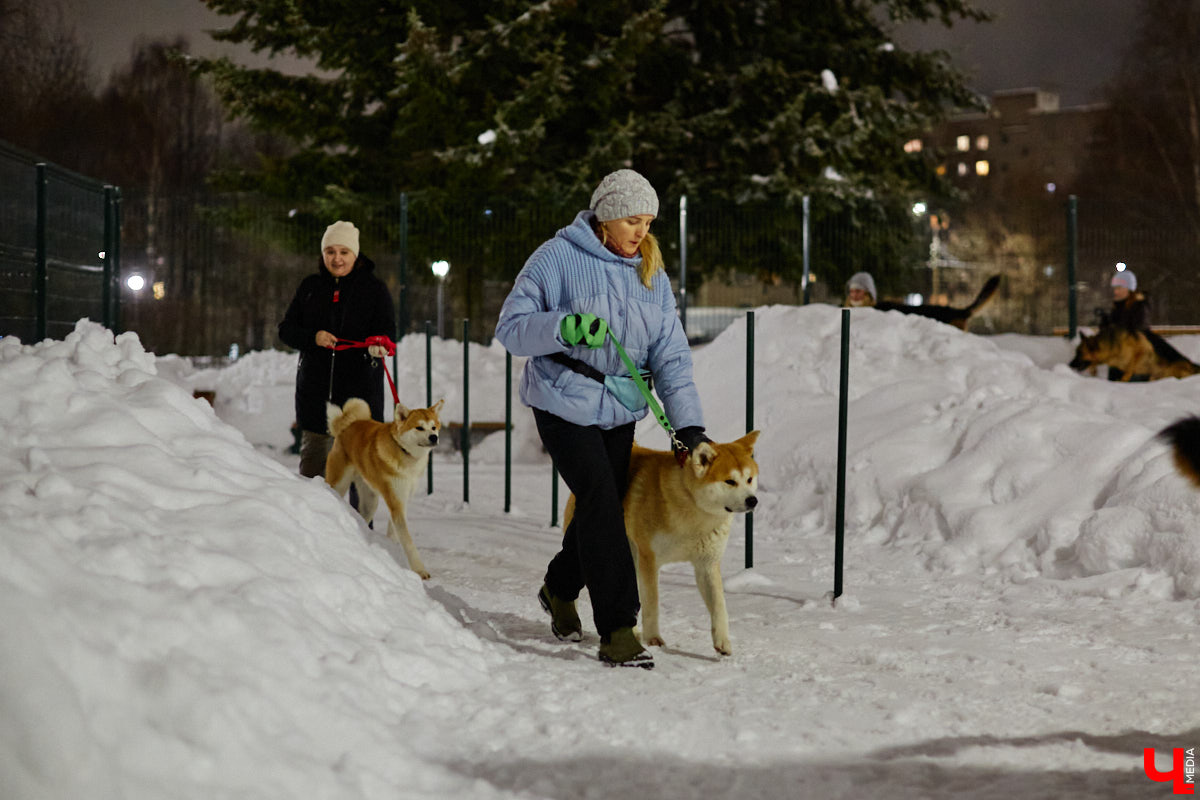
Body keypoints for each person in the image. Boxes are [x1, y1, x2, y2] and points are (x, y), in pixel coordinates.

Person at [494, 169, 709, 668]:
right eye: (632, 220)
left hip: (619, 408)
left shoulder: (651, 273)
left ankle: (559, 587)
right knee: (600, 500)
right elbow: (511, 329)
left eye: (648, 221)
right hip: (562, 401)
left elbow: (672, 359)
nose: (641, 231)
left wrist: (689, 427)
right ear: (607, 216)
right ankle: (617, 628)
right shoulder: (557, 258)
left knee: (602, 504)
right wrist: (563, 327)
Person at [279, 220, 396, 479]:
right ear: (323, 254)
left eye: (344, 252)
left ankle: (358, 522)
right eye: (330, 251)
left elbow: (388, 331)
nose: (337, 259)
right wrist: (313, 337)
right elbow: (286, 330)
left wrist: (378, 345)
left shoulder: (374, 290)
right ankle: (312, 521)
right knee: (313, 476)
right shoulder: (310, 288)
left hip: (360, 404)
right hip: (315, 402)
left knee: (358, 479)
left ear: (355, 254)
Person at [1106, 269, 1149, 381]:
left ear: (1129, 289)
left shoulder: (1139, 307)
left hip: (1134, 360)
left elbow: (1138, 331)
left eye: (1119, 288)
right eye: (1115, 288)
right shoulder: (1118, 307)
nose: (1116, 292)